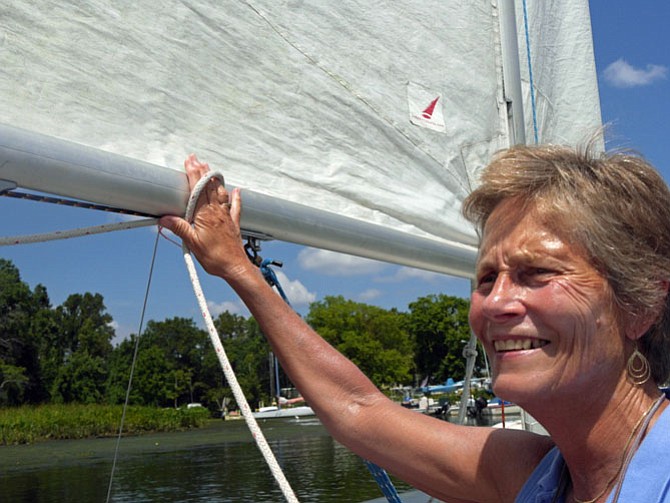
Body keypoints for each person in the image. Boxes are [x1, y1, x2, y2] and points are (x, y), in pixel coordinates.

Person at [160, 145, 670, 502]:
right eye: (487, 278)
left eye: (536, 273)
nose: (495, 304)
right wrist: (238, 271)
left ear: (640, 304)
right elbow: (360, 410)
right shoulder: (535, 477)